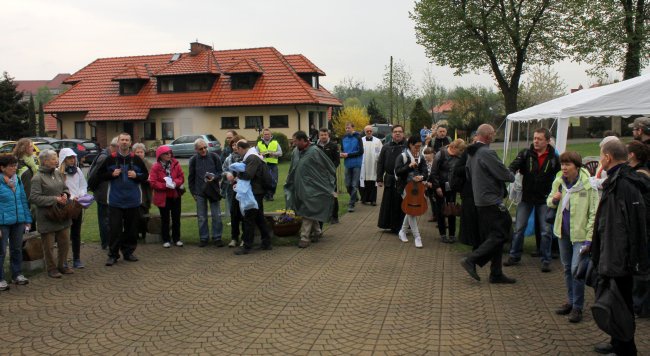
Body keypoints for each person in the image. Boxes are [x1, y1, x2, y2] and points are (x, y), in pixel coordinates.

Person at [591, 140, 649, 355]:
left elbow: (632, 225)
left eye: (601, 155)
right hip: (613, 252)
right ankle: (617, 342)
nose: (599, 160)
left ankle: (626, 348)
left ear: (607, 157)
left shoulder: (625, 184)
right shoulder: (617, 180)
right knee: (615, 301)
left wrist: (627, 259)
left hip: (620, 256)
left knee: (622, 303)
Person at [460, 124, 516, 284]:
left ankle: (496, 273)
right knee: (502, 232)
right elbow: (505, 175)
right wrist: (512, 174)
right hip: (492, 200)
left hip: (480, 200)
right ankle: (472, 259)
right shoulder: (487, 153)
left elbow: (468, 175)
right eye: (493, 134)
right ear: (489, 136)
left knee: (494, 235)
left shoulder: (471, 153)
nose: (495, 136)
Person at [547, 152, 598, 323]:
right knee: (568, 268)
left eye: (567, 165)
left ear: (577, 166)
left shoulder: (588, 186)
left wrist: (589, 239)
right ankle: (570, 301)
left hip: (580, 236)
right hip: (562, 233)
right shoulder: (559, 181)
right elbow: (549, 201)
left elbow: (594, 214)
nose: (564, 168)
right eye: (562, 164)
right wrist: (554, 200)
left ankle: (577, 306)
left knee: (577, 271)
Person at [504, 128, 560, 272]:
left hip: (544, 199)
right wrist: (510, 173)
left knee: (546, 231)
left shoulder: (554, 158)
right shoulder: (526, 154)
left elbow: (561, 176)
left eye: (539, 139)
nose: (535, 141)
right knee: (519, 228)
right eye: (534, 138)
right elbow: (513, 166)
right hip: (527, 198)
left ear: (547, 141)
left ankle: (546, 259)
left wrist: (558, 191)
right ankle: (514, 255)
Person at [97, 133, 149, 266]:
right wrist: (111, 174)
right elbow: (100, 175)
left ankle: (128, 252)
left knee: (131, 229)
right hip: (115, 200)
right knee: (115, 229)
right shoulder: (110, 159)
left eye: (127, 140)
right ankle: (113, 255)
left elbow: (146, 176)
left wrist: (136, 176)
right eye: (122, 140)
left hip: (133, 200)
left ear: (130, 143)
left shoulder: (137, 159)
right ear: (118, 143)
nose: (124, 142)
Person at [285, 131, 336, 248]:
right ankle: (317, 232)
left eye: (295, 141)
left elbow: (328, 167)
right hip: (299, 186)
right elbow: (292, 168)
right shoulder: (295, 152)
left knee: (307, 209)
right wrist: (289, 182)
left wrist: (326, 182)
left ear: (303, 140)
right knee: (307, 208)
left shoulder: (315, 152)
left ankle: (305, 237)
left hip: (312, 187)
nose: (293, 143)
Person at [30, 149, 73, 278]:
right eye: (53, 159)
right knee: (48, 246)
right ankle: (51, 268)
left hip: (61, 215)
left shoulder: (57, 173)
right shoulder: (37, 178)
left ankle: (62, 265)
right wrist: (54, 199)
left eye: (56, 158)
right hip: (47, 216)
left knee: (64, 242)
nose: (57, 161)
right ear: (45, 161)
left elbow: (65, 188)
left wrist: (65, 195)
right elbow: (34, 198)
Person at [233, 140, 273, 255]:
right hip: (258, 191)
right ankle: (266, 242)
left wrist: (238, 174)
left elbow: (248, 175)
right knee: (259, 217)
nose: (238, 152)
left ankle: (247, 246)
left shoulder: (251, 158)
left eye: (237, 149)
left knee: (249, 218)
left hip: (255, 192)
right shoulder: (254, 156)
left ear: (241, 148)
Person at [0, 155, 32, 289]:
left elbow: (23, 200)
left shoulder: (17, 180)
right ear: (2, 168)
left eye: (15, 165)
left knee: (17, 249)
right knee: (1, 251)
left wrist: (27, 219)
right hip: (2, 223)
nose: (14, 168)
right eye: (11, 166)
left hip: (18, 221)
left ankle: (17, 274)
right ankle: (0, 279)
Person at [188, 138, 224, 247]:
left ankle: (217, 237)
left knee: (216, 215)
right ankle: (204, 238)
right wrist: (193, 192)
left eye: (205, 148)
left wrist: (214, 177)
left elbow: (220, 172)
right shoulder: (193, 160)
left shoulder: (214, 157)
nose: (203, 150)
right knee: (202, 217)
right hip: (200, 192)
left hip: (213, 190)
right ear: (196, 149)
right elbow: (191, 177)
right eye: (200, 149)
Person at [432, 139, 467, 243]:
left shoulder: (460, 156)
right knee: (441, 210)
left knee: (452, 210)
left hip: (452, 186)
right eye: (460, 150)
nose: (461, 153)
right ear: (453, 147)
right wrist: (437, 187)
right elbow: (433, 172)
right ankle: (443, 234)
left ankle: (452, 234)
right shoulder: (440, 154)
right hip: (440, 186)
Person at [149, 146, 185, 248]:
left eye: (170, 153)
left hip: (175, 195)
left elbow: (181, 177)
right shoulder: (155, 167)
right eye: (166, 153)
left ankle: (177, 239)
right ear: (160, 156)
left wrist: (175, 183)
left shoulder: (176, 164)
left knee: (176, 218)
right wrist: (165, 185)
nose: (169, 155)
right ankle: (166, 239)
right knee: (165, 219)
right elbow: (152, 182)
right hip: (163, 197)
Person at [58, 148, 88, 269]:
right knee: (63, 234)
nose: (72, 160)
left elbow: (83, 185)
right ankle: (63, 260)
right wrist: (70, 197)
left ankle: (76, 258)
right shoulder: (58, 172)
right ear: (63, 159)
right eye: (69, 158)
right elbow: (59, 188)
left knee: (76, 233)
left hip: (76, 205)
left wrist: (80, 196)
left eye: (73, 158)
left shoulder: (78, 171)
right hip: (64, 205)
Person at [395, 136, 426, 248]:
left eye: (419, 146)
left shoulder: (421, 157)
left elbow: (425, 172)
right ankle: (417, 237)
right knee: (412, 210)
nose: (418, 149)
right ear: (410, 145)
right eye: (416, 146)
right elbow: (397, 172)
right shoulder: (402, 156)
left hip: (417, 188)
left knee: (410, 210)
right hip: (404, 187)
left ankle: (402, 231)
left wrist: (421, 177)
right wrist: (408, 166)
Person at [87, 137, 118, 250]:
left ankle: (109, 241)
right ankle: (106, 242)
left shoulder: (108, 155)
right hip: (103, 193)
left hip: (107, 192)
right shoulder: (104, 157)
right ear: (113, 147)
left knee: (108, 218)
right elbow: (94, 175)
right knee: (104, 219)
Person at [377, 125, 406, 233]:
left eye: (399, 131)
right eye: (395, 131)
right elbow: (380, 163)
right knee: (389, 203)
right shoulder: (386, 146)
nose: (397, 133)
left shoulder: (407, 147)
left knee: (401, 203)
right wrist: (379, 178)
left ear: (403, 133)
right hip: (389, 178)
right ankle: (388, 224)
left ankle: (401, 226)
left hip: (403, 179)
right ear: (392, 134)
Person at [222, 136, 245, 247]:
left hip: (244, 190)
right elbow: (224, 170)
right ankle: (234, 238)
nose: (235, 147)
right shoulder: (228, 158)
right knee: (234, 213)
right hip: (232, 190)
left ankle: (245, 238)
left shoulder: (246, 157)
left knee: (244, 213)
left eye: (237, 144)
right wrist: (227, 174)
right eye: (233, 145)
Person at [316, 128, 340, 224]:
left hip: (330, 175)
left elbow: (337, 161)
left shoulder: (334, 146)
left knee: (333, 195)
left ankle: (335, 216)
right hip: (319, 176)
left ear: (328, 135)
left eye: (325, 134)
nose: (323, 136)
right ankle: (324, 215)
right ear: (319, 136)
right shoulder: (315, 147)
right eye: (321, 135)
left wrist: (330, 170)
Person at [13, 138, 38, 231]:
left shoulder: (32, 161)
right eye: (30, 146)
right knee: (25, 228)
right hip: (24, 200)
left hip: (32, 198)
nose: (33, 148)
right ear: (24, 148)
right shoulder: (19, 164)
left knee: (32, 226)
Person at [340, 122, 364, 212]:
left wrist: (348, 155)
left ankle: (351, 204)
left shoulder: (358, 137)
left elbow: (361, 151)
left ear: (353, 128)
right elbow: (343, 149)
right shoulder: (343, 138)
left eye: (349, 128)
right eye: (346, 128)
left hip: (356, 163)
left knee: (354, 185)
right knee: (347, 184)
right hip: (347, 164)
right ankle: (355, 197)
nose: (347, 130)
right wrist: (341, 154)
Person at [132, 143, 152, 240]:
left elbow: (152, 177)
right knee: (134, 214)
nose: (139, 154)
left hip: (145, 192)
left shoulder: (148, 163)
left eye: (141, 152)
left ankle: (143, 232)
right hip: (134, 192)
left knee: (144, 213)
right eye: (137, 152)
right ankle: (135, 232)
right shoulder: (131, 163)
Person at [359, 125, 383, 206]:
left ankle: (373, 200)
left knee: (373, 183)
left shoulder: (377, 141)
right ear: (364, 132)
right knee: (364, 182)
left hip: (373, 164)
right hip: (363, 165)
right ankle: (364, 199)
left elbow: (381, 152)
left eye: (370, 131)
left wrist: (379, 160)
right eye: (367, 131)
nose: (369, 132)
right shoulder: (361, 140)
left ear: (372, 131)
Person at [256, 128, 282, 201]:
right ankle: (266, 195)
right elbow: (255, 154)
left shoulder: (275, 142)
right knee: (264, 180)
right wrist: (261, 154)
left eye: (268, 134)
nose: (266, 135)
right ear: (263, 135)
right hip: (263, 165)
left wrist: (273, 154)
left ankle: (271, 194)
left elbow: (280, 153)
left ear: (271, 135)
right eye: (265, 134)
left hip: (273, 164)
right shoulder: (259, 143)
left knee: (274, 180)